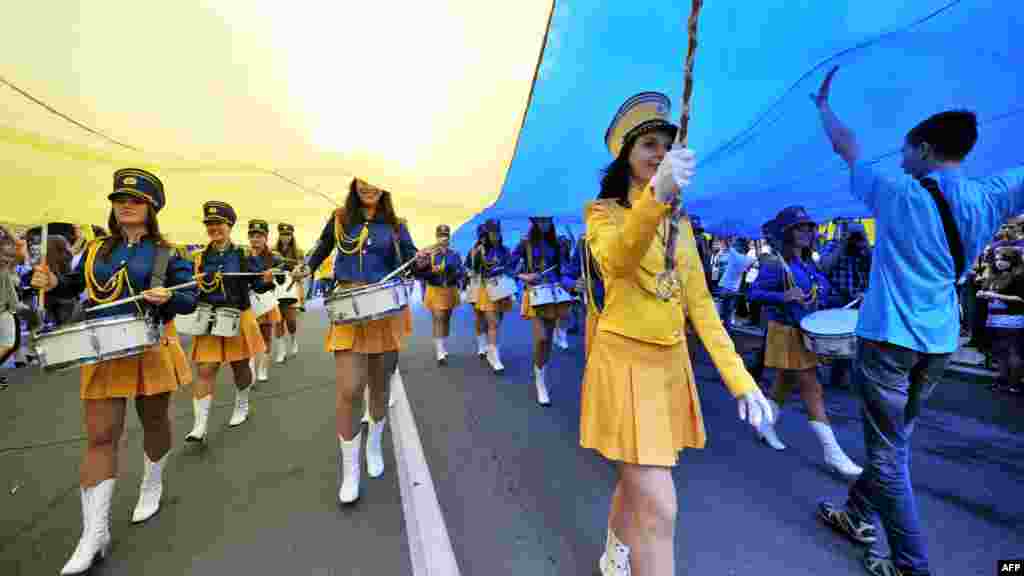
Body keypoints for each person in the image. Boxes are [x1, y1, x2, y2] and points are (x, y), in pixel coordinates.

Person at [812, 66, 1024, 576]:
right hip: (939, 341)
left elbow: (847, 145)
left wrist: (823, 106)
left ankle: (911, 565)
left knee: (888, 456)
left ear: (925, 148)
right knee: (894, 442)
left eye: (907, 148)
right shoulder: (992, 195)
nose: (901, 157)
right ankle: (856, 512)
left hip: (888, 338)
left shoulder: (896, 192)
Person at [579, 92, 772, 576]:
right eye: (648, 143)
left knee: (636, 482)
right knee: (661, 507)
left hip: (669, 366)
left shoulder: (681, 224)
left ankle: (612, 554)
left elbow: (702, 309)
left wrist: (740, 380)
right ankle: (621, 556)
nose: (659, 153)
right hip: (622, 362)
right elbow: (619, 259)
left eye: (667, 145)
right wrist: (656, 196)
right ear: (626, 154)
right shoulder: (601, 214)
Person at [30, 169, 198, 574]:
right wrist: (51, 280)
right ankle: (94, 534)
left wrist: (168, 297)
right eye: (119, 198)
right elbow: (71, 286)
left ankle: (152, 482)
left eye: (135, 200)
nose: (125, 204)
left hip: (151, 348)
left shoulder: (167, 253)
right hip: (102, 351)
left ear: (152, 207)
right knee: (100, 438)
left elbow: (189, 297)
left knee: (155, 422)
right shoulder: (94, 250)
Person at [297, 178, 428, 504]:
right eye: (363, 182)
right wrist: (306, 267)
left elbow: (410, 261)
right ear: (355, 185)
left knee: (380, 386)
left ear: (385, 187)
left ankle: (373, 445)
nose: (369, 188)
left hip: (385, 310)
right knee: (350, 389)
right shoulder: (341, 218)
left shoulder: (397, 226)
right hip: (347, 308)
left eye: (375, 182)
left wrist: (422, 261)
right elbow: (320, 249)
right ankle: (350, 470)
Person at [748, 206, 862, 476]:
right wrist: (782, 297)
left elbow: (825, 296)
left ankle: (764, 425)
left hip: (806, 332)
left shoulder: (810, 263)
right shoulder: (776, 263)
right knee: (812, 388)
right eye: (801, 227)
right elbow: (753, 292)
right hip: (787, 332)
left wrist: (855, 298)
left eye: (810, 227)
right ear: (788, 232)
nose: (807, 232)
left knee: (785, 382)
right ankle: (832, 452)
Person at [185, 202, 275, 442]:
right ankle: (200, 425)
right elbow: (192, 288)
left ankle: (242, 404)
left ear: (230, 225)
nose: (214, 228)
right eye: (210, 224)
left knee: (240, 368)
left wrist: (266, 279)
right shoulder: (199, 257)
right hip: (209, 318)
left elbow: (258, 285)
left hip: (237, 316)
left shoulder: (243, 255)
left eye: (219, 223)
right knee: (205, 369)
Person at [511, 216, 575, 405]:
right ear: (534, 222)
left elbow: (565, 269)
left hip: (554, 294)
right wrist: (524, 276)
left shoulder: (558, 243)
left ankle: (541, 375)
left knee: (546, 342)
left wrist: (569, 282)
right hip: (536, 295)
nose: (544, 224)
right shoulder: (525, 243)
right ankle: (540, 382)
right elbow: (509, 267)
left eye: (547, 220)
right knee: (541, 339)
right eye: (540, 221)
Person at [469, 219, 514, 372]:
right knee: (492, 323)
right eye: (492, 232)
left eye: (497, 232)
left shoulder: (505, 250)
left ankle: (490, 347)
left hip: (502, 290)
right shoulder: (480, 250)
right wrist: (476, 256)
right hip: (487, 289)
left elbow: (510, 267)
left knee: (496, 323)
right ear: (487, 233)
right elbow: (473, 269)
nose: (495, 235)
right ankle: (494, 357)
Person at [416, 224, 465, 364]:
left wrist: (453, 272)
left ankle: (442, 343)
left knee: (446, 318)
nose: (443, 238)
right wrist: (431, 270)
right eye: (440, 236)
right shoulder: (428, 253)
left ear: (449, 238)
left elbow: (461, 271)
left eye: (445, 236)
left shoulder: (454, 254)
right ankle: (439, 351)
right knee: (438, 317)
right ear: (436, 237)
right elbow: (420, 272)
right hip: (434, 288)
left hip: (449, 289)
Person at [247, 219, 284, 383]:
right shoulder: (243, 256)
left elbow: (281, 281)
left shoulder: (274, 257)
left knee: (266, 336)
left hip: (266, 301)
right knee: (249, 338)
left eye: (259, 236)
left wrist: (277, 272)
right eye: (252, 236)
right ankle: (251, 370)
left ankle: (263, 367)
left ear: (266, 237)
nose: (255, 239)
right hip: (248, 302)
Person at [273, 222, 305, 363]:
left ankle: (293, 339)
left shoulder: (298, 252)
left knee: (291, 320)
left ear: (292, 236)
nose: (285, 237)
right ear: (279, 235)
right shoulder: (272, 251)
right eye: (283, 234)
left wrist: (299, 271)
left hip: (292, 288)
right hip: (275, 287)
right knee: (277, 321)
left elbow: (304, 270)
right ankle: (281, 350)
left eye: (288, 235)